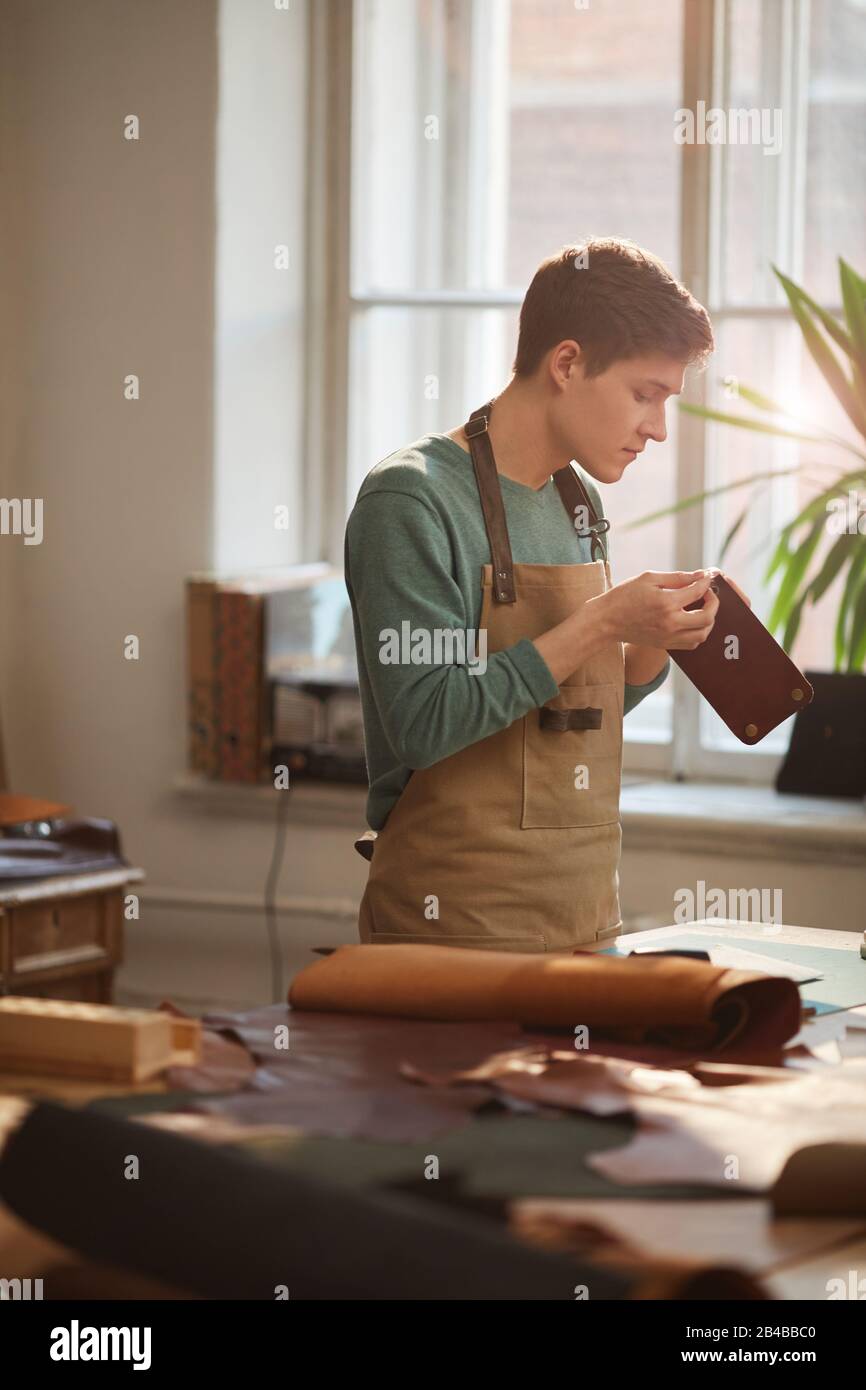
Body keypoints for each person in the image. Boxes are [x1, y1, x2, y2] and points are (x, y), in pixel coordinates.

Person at [345, 237, 731, 951]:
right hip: (450, 931)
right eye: (645, 394)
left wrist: (650, 643)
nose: (658, 428)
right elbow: (425, 723)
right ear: (567, 363)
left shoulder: (575, 499)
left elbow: (570, 709)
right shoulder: (410, 500)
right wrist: (602, 620)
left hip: (581, 921)